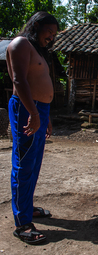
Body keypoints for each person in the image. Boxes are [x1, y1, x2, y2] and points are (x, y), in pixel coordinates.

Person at [6, 11, 59, 244]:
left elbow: (39, 83)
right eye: (49, 31)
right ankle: (22, 224)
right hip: (27, 109)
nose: (51, 37)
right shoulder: (20, 44)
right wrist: (35, 113)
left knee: (34, 164)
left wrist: (45, 115)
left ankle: (27, 208)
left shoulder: (38, 50)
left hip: (39, 109)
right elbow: (19, 81)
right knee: (24, 163)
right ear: (37, 25)